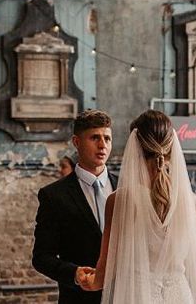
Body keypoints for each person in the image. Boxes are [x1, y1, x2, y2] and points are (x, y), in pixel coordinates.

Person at [76, 110, 196, 304]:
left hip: (137, 297)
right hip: (181, 297)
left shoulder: (120, 200)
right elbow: (193, 265)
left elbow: (104, 272)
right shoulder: (190, 201)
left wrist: (88, 280)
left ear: (135, 147)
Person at [32, 110, 115, 303]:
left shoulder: (126, 189)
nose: (102, 145)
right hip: (79, 298)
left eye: (107, 139)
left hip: (124, 296)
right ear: (76, 142)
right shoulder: (53, 196)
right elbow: (41, 257)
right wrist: (74, 273)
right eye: (95, 138)